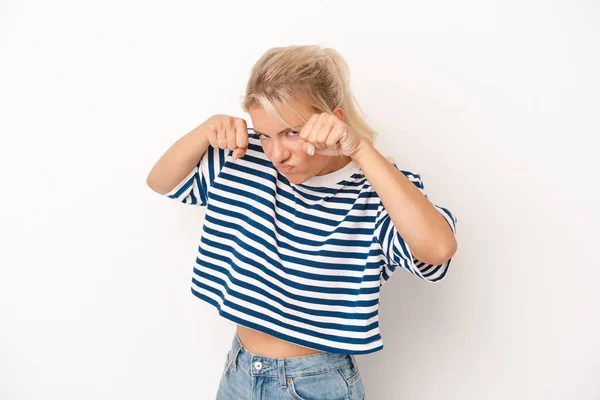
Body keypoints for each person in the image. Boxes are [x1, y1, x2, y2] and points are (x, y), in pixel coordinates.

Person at [146, 44, 458, 400]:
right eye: (265, 133)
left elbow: (438, 250)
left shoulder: (374, 192)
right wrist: (204, 131)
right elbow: (162, 182)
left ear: (333, 119)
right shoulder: (248, 158)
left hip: (315, 384)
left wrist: (359, 150)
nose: (277, 153)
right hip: (239, 370)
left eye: (291, 132)